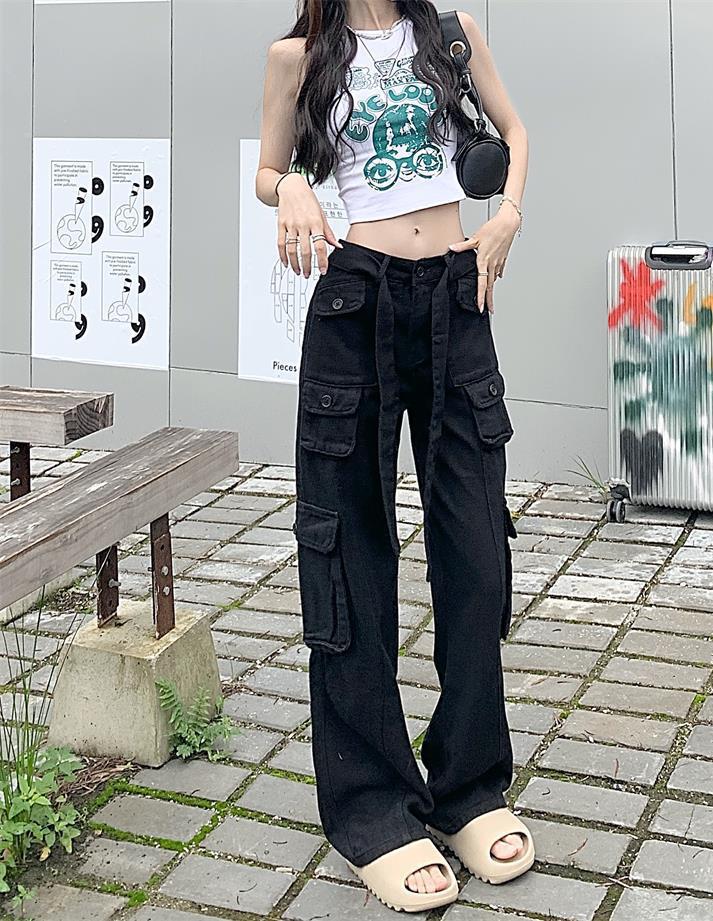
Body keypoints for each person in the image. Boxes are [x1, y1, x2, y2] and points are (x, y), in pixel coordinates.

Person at [255, 0, 532, 911]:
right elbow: (267, 171)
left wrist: (507, 215)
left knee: (476, 549)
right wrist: (290, 187)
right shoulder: (297, 55)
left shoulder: (450, 33)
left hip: (457, 294)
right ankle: (373, 805)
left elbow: (515, 130)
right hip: (356, 302)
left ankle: (470, 784)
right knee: (350, 552)